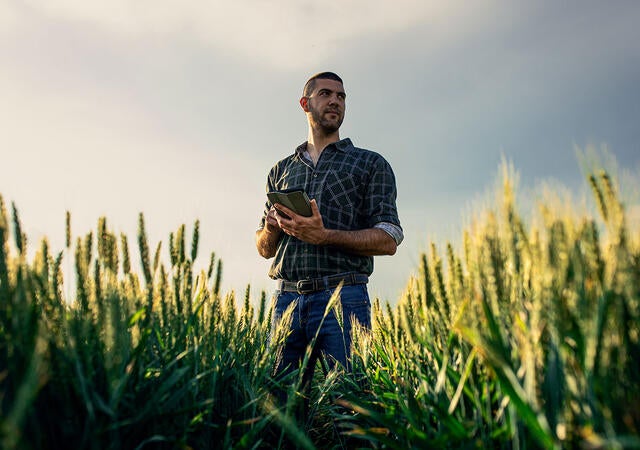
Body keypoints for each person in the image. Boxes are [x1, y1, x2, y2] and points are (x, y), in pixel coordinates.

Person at [255, 71, 403, 402]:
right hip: (287, 300)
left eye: (341, 96)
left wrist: (324, 236)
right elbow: (264, 249)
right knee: (279, 411)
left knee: (351, 409)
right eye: (326, 94)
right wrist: (271, 227)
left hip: (345, 296)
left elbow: (388, 238)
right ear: (305, 104)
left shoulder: (369, 164)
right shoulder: (280, 171)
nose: (335, 100)